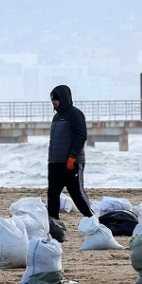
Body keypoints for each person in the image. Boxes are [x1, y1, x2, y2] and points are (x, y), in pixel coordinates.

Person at [47, 85, 94, 220]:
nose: (54, 102)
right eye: (52, 100)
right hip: (55, 163)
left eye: (56, 99)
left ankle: (92, 218)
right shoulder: (56, 117)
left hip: (71, 163)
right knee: (53, 194)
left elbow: (81, 136)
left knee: (77, 194)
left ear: (63, 98)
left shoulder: (75, 114)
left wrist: (72, 157)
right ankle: (53, 222)